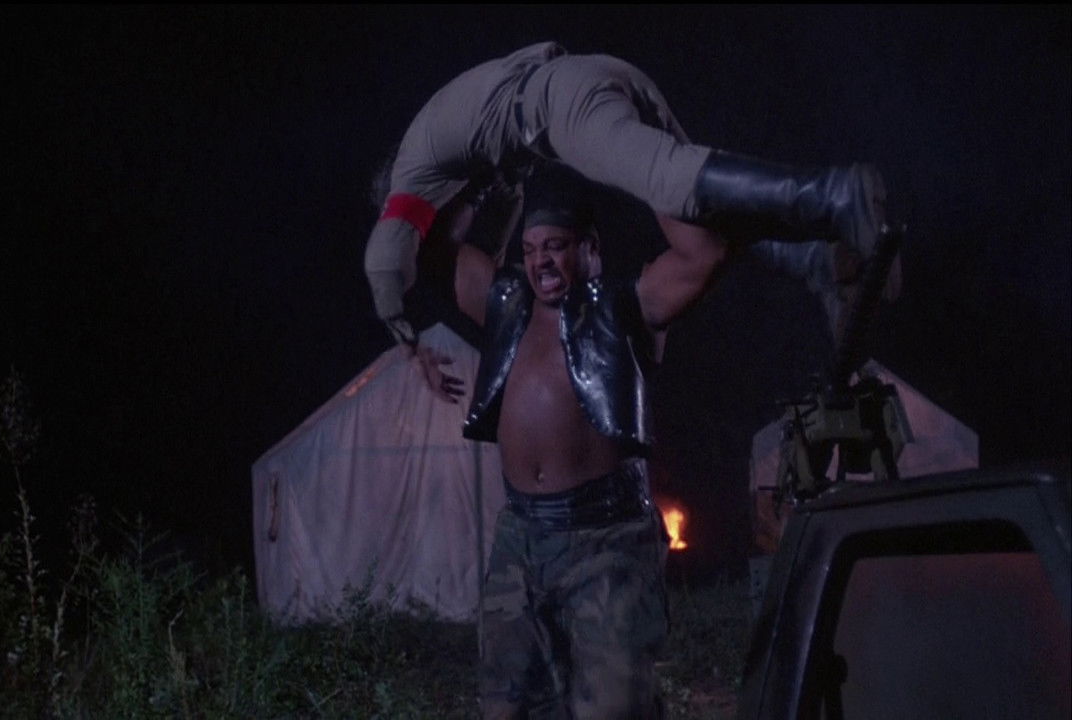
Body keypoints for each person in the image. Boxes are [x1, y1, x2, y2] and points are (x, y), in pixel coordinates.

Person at [412, 161, 728, 718]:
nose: (541, 262)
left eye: (555, 246)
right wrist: (487, 180)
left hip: (606, 540)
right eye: (531, 250)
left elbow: (703, 254)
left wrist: (645, 160)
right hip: (520, 537)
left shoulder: (629, 305)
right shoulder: (506, 304)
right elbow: (434, 252)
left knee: (613, 709)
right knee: (509, 708)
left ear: (590, 248)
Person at [363, 42, 890, 352]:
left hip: (557, 103)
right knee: (698, 211)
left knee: (671, 179)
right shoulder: (471, 161)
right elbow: (496, 246)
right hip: (581, 85)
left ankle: (835, 194)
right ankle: (816, 260)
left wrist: (408, 344)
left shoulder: (411, 179)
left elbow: (384, 261)